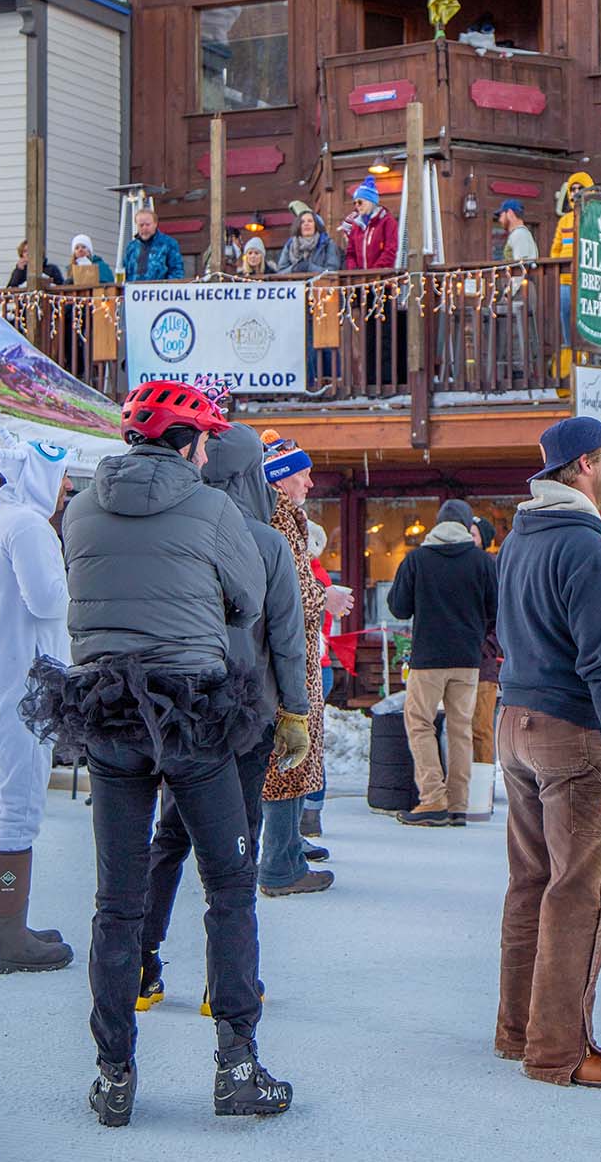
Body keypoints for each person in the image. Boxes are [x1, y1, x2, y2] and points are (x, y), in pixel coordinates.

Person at [20, 380, 291, 1124]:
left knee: (117, 900)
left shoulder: (79, 509)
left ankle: (114, 1077)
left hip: (107, 709)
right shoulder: (210, 508)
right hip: (196, 710)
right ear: (189, 443)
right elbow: (246, 601)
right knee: (229, 884)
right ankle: (238, 1064)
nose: (210, 452)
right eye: (206, 440)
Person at [138, 421, 313, 1011]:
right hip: (249, 716)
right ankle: (227, 982)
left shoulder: (175, 533)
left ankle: (142, 964)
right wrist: (297, 712)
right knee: (237, 849)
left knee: (170, 836)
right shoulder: (265, 542)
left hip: (184, 712)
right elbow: (288, 641)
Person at [495, 417, 601, 1089]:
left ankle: (518, 1030)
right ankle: (559, 1050)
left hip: (517, 722)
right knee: (584, 893)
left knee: (533, 883)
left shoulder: (524, 533)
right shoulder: (587, 546)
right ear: (585, 465)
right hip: (575, 732)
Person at [0, 441, 73, 976]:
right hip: (27, 686)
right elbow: (47, 601)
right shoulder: (30, 528)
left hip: (2, 677)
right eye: (61, 475)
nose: (66, 487)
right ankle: (5, 938)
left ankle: (0, 920)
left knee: (0, 802)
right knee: (19, 805)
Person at [387, 499, 497, 827]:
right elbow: (496, 609)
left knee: (420, 724)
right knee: (460, 728)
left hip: (428, 658)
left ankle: (433, 798)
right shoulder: (482, 561)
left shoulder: (417, 559)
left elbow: (398, 607)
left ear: (437, 524)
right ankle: (459, 804)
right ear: (465, 526)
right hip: (468, 658)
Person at [258, 438, 333, 896]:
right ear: (282, 476)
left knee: (290, 752)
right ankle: (281, 864)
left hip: (288, 654)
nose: (310, 480)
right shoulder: (282, 519)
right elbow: (295, 595)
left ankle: (285, 850)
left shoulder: (283, 517)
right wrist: (328, 597)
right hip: (290, 658)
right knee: (290, 752)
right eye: (302, 472)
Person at [299, 520, 354, 838]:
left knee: (305, 743)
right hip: (321, 665)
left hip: (313, 666)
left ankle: (309, 812)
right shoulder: (319, 574)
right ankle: (310, 813)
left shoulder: (312, 576)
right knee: (309, 741)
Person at [549, 169, 593, 365]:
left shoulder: (594, 218)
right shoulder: (564, 220)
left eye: (580, 188)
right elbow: (555, 248)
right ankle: (571, 353)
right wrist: (558, 267)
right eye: (573, 189)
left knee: (588, 318)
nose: (575, 192)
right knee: (566, 314)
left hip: (588, 278)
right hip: (566, 278)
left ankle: (588, 354)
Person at [470, 515, 500, 767]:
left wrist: (488, 646)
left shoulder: (493, 566)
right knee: (458, 728)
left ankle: (482, 785)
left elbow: (503, 613)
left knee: (481, 727)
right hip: (456, 657)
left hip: (483, 662)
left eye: (473, 535)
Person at [342, 177, 399, 270]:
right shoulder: (356, 226)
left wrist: (375, 271)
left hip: (383, 280)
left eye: (360, 202)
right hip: (360, 280)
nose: (357, 205)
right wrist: (354, 270)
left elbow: (390, 249)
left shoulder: (387, 221)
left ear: (371, 201)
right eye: (355, 203)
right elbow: (350, 253)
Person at [122, 208, 185, 282]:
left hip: (160, 291)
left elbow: (177, 272)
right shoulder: (131, 247)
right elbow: (124, 272)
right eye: (141, 225)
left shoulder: (168, 244)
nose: (144, 228)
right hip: (134, 291)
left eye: (148, 224)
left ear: (155, 224)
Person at [276, 210, 341, 275]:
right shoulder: (289, 245)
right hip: (295, 284)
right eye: (302, 222)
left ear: (316, 225)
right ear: (298, 226)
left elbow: (332, 270)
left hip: (321, 284)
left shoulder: (327, 243)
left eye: (310, 221)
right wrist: (294, 268)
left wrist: (309, 267)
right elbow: (281, 271)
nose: (306, 224)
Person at [494, 199, 538, 265]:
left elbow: (520, 266)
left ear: (510, 213)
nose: (500, 220)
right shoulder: (520, 233)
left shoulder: (519, 234)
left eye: (501, 215)